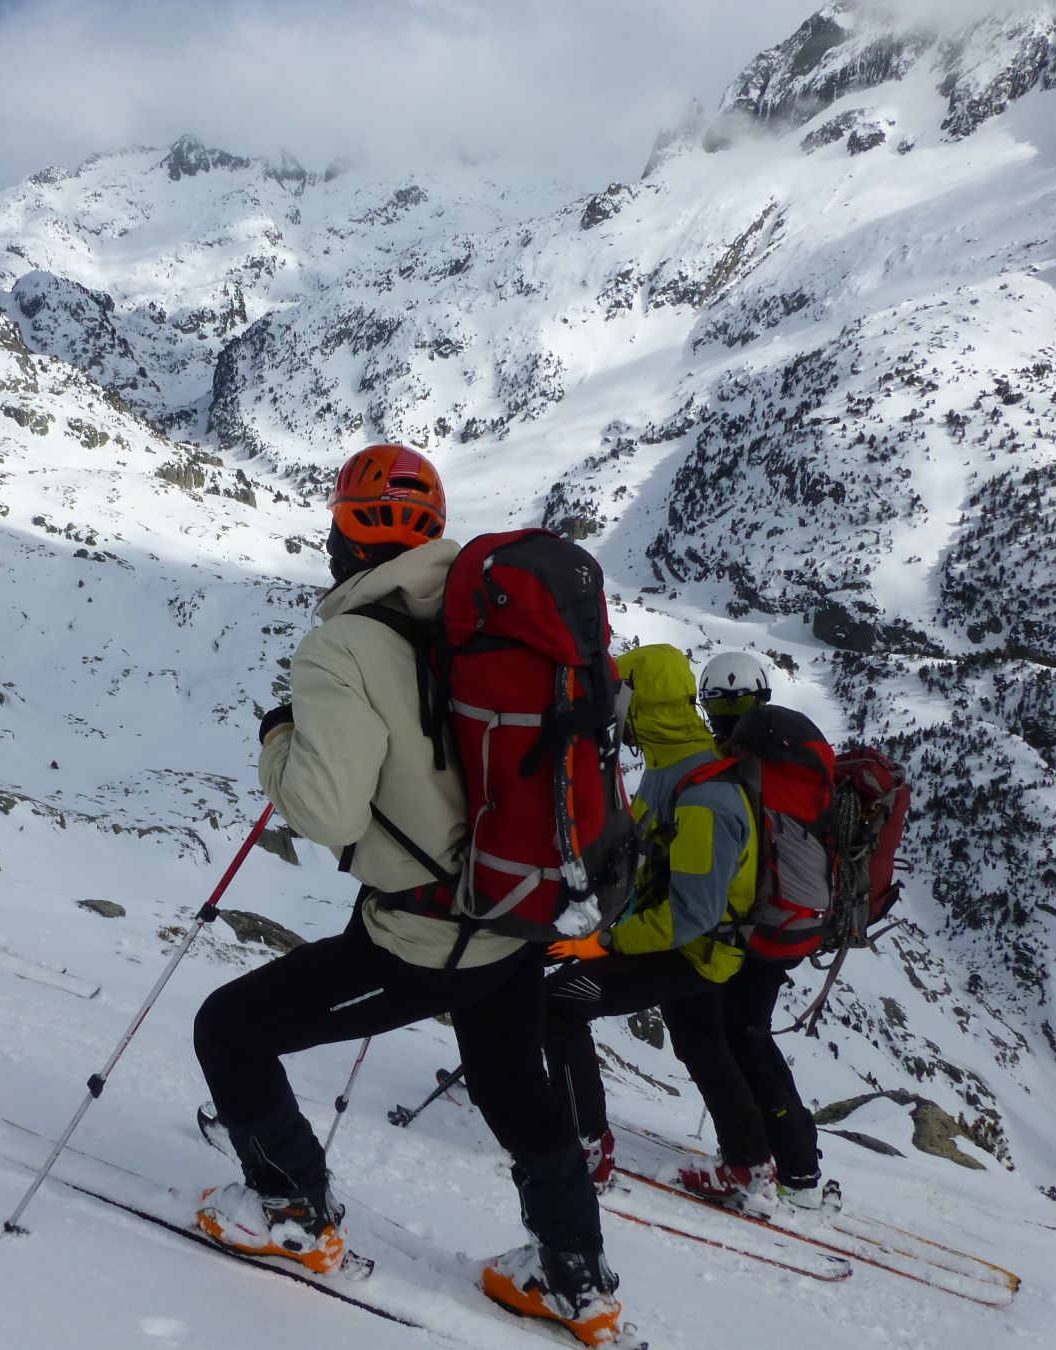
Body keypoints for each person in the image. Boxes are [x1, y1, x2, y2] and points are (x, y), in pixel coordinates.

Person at [192, 445, 620, 1346]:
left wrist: (279, 737)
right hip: (512, 914)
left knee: (229, 1030)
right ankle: (572, 1276)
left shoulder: (343, 644)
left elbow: (322, 805)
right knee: (514, 1087)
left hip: (429, 939)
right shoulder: (476, 615)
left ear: (348, 534)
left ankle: (291, 1211)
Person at [542, 642, 780, 1216]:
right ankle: (750, 1164)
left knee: (558, 1006)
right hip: (702, 949)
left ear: (641, 705)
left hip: (691, 948)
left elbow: (691, 911)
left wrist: (602, 942)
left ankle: (583, 1149)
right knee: (702, 1042)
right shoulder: (677, 766)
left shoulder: (703, 793)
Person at [697, 650, 826, 1209]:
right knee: (748, 1034)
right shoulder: (788, 760)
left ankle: (791, 1168)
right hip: (795, 925)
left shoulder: (737, 767)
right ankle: (792, 1158)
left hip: (758, 929)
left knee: (741, 1039)